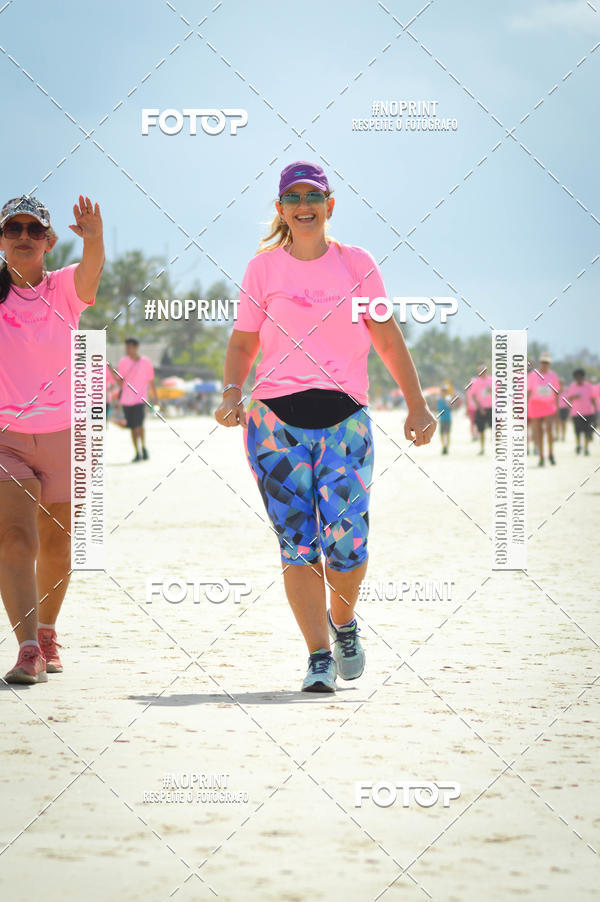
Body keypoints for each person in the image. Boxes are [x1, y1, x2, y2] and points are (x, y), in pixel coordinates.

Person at [215, 161, 435, 693]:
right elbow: (244, 341)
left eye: (313, 195)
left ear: (329, 206)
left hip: (345, 422)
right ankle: (317, 654)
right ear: (281, 210)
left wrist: (416, 403)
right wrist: (230, 391)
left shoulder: (356, 264)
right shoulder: (262, 269)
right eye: (292, 197)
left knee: (348, 544)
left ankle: (343, 622)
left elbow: (385, 335)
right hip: (274, 426)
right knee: (297, 543)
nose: (303, 204)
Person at [0, 194, 104, 684]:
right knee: (16, 537)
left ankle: (46, 631)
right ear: (2, 239)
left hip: (65, 435)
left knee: (59, 544)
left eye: (33, 230)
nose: (23, 237)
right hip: (6, 440)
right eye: (13, 229)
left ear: (48, 240)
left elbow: (92, 270)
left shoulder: (63, 289)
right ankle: (25, 650)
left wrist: (95, 238)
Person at [115, 338, 158, 461]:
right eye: (126, 348)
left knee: (139, 425)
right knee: (132, 426)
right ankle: (137, 452)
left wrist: (156, 398)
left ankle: (143, 447)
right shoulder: (123, 362)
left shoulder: (146, 362)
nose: (127, 350)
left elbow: (151, 380)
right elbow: (119, 382)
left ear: (136, 347)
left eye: (129, 347)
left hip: (141, 399)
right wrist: (111, 372)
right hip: (126, 400)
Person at [527, 353, 561, 466]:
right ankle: (541, 456)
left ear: (549, 364)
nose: (544, 364)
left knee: (549, 430)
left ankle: (551, 453)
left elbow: (556, 392)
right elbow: (528, 391)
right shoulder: (533, 375)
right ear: (540, 363)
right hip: (535, 406)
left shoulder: (553, 376)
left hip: (549, 406)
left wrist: (557, 408)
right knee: (538, 432)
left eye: (546, 362)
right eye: (543, 362)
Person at [563, 368, 597, 456]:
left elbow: (593, 399)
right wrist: (574, 396)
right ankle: (578, 445)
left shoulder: (588, 386)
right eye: (577, 377)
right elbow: (568, 398)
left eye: (580, 377)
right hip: (576, 413)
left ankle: (586, 448)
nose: (579, 379)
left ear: (583, 377)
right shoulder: (573, 386)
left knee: (587, 431)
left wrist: (596, 411)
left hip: (588, 412)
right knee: (577, 431)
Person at [471, 363, 493, 455]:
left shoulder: (492, 380)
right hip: (481, 408)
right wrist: (480, 408)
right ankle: (482, 448)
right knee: (481, 430)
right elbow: (474, 396)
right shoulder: (475, 382)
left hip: (491, 407)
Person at [437, 386, 452, 454]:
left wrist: (449, 404)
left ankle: (447, 447)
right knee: (442, 434)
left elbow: (451, 408)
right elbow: (438, 409)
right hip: (442, 419)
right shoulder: (439, 400)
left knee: (447, 433)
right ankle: (444, 446)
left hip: (448, 419)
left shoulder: (448, 400)